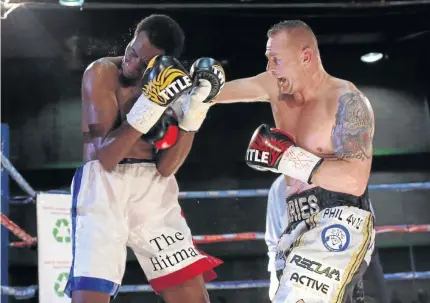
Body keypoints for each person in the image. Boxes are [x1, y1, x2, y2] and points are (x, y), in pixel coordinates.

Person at [64, 14, 226, 303]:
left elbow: (166, 168)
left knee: (193, 296)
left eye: (143, 61)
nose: (132, 61)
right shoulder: (101, 72)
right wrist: (151, 105)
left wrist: (194, 113)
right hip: (104, 189)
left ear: (161, 63)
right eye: (132, 50)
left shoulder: (174, 84)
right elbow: (107, 157)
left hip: (152, 188)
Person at [214, 20, 376, 302]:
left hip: (342, 218)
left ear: (305, 57)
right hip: (294, 220)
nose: (270, 68)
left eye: (276, 60)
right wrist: (197, 85)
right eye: (268, 59)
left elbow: (355, 180)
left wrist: (289, 157)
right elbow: (218, 93)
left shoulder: (347, 101)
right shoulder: (275, 85)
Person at [265, 174, 390, 302]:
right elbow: (274, 241)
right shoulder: (280, 187)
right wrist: (276, 283)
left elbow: (367, 224)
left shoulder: (345, 174)